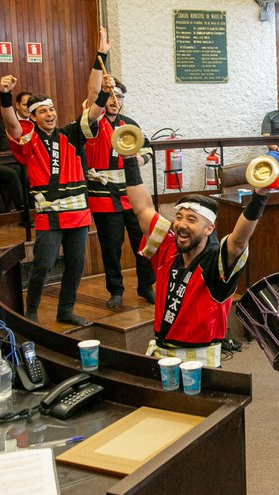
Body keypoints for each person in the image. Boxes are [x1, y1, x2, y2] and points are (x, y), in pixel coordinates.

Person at [122, 147, 270, 361]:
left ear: (209, 229)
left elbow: (239, 240)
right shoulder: (168, 248)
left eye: (191, 220)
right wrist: (129, 160)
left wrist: (260, 196)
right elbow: (143, 208)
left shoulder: (216, 262)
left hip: (200, 362)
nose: (181, 224)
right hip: (161, 357)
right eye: (179, 217)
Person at [0, 69, 114, 326]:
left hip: (78, 212)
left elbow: (92, 113)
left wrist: (105, 93)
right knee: (43, 264)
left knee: (76, 265)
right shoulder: (29, 139)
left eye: (51, 109)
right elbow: (12, 125)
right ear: (33, 116)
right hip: (49, 213)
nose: (49, 114)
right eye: (43, 111)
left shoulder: (70, 134)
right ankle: (31, 311)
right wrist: (5, 95)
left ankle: (65, 310)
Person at [82, 39, 155, 309]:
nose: (115, 101)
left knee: (143, 241)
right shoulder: (92, 122)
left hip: (132, 195)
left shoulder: (130, 124)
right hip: (103, 195)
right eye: (112, 96)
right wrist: (100, 57)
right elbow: (93, 94)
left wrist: (140, 158)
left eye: (120, 97)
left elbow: (148, 149)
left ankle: (146, 285)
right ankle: (115, 290)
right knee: (111, 247)